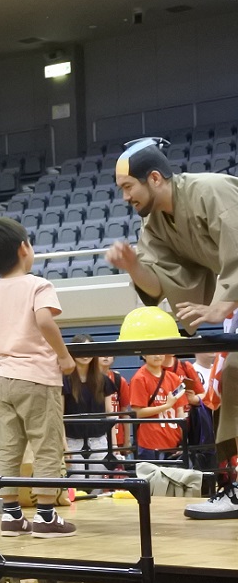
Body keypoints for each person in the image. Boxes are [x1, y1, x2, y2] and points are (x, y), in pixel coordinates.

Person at [105, 136, 238, 516]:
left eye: (128, 186)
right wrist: (133, 266)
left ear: (155, 178)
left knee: (234, 375)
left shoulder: (211, 190)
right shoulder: (155, 224)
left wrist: (223, 305)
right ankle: (233, 486)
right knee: (226, 384)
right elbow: (158, 284)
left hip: (234, 299)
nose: (125, 197)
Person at [0, 217, 76, 538]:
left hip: (4, 379)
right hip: (37, 378)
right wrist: (63, 355)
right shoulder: (38, 285)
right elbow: (44, 320)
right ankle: (45, 517)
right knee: (47, 446)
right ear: (23, 249)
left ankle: (11, 516)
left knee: (8, 449)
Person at [62, 334, 118, 488]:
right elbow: (59, 416)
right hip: (73, 442)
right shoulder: (65, 380)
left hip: (99, 441)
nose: (85, 355)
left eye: (88, 349)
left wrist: (114, 446)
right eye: (81, 350)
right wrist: (65, 448)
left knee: (98, 487)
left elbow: (110, 414)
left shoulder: (103, 380)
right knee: (76, 487)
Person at [130, 353, 191, 461]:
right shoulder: (139, 378)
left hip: (173, 441)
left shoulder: (174, 378)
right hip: (149, 443)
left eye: (160, 352)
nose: (157, 356)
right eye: (153, 352)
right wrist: (166, 406)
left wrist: (183, 441)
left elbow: (180, 411)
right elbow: (137, 412)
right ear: (144, 355)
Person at [99, 354, 131, 459]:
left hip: (118, 438)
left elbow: (125, 412)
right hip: (98, 438)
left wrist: (127, 440)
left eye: (109, 354)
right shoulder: (89, 380)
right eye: (101, 355)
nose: (105, 357)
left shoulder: (119, 380)